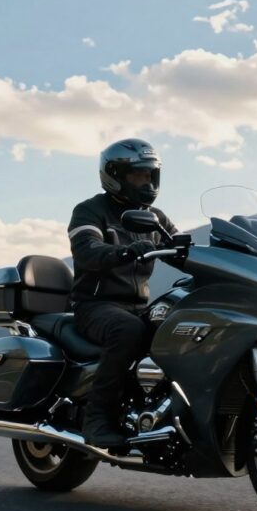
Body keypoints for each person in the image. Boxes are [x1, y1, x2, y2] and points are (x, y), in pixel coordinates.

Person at [67, 138, 178, 448]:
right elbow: (87, 249)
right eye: (137, 175)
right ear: (115, 175)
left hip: (138, 307)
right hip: (95, 306)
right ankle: (96, 419)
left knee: (180, 325)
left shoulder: (155, 217)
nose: (146, 182)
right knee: (128, 330)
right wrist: (124, 252)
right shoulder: (90, 211)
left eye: (149, 175)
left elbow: (183, 245)